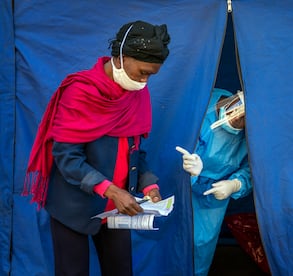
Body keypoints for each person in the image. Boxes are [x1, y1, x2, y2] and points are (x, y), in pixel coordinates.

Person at [23, 20, 170, 276]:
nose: (145, 80)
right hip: (74, 207)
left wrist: (149, 185)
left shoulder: (136, 93)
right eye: (142, 72)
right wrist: (111, 190)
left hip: (115, 209)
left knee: (121, 270)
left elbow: (135, 150)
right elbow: (66, 157)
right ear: (122, 57)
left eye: (151, 75)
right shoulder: (80, 92)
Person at [176, 88, 252, 276]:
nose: (237, 119)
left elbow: (253, 168)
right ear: (237, 96)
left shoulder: (251, 137)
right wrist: (188, 170)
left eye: (245, 121)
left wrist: (235, 184)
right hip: (178, 185)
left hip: (214, 194)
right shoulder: (203, 101)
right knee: (170, 237)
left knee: (200, 245)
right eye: (239, 111)